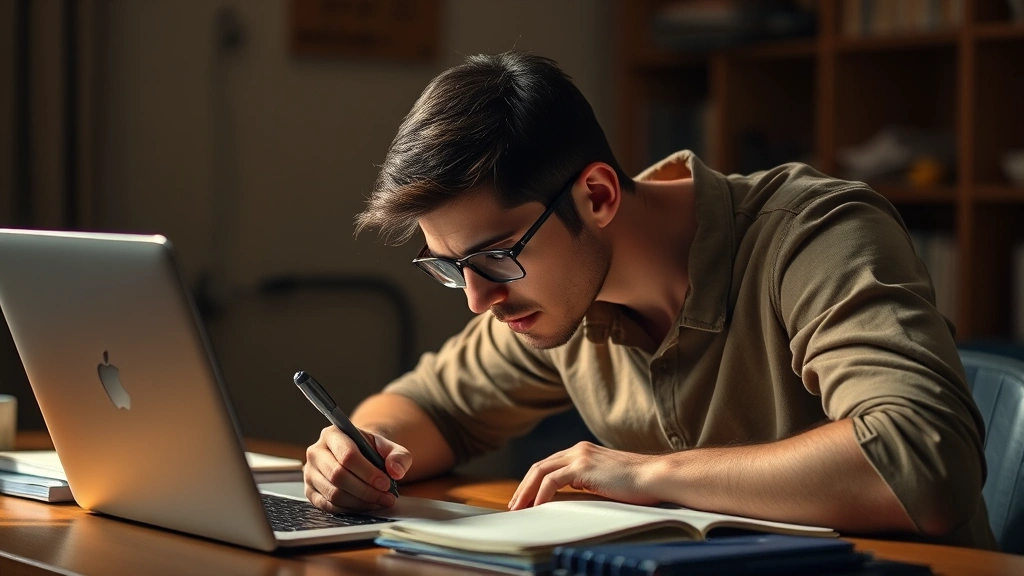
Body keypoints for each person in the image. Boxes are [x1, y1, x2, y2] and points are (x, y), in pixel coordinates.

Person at [303, 51, 995, 550]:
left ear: (597, 195)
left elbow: (925, 463)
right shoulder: (554, 298)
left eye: (494, 257)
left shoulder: (813, 234)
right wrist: (357, 456)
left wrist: (644, 475)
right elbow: (425, 408)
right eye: (451, 268)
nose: (479, 300)